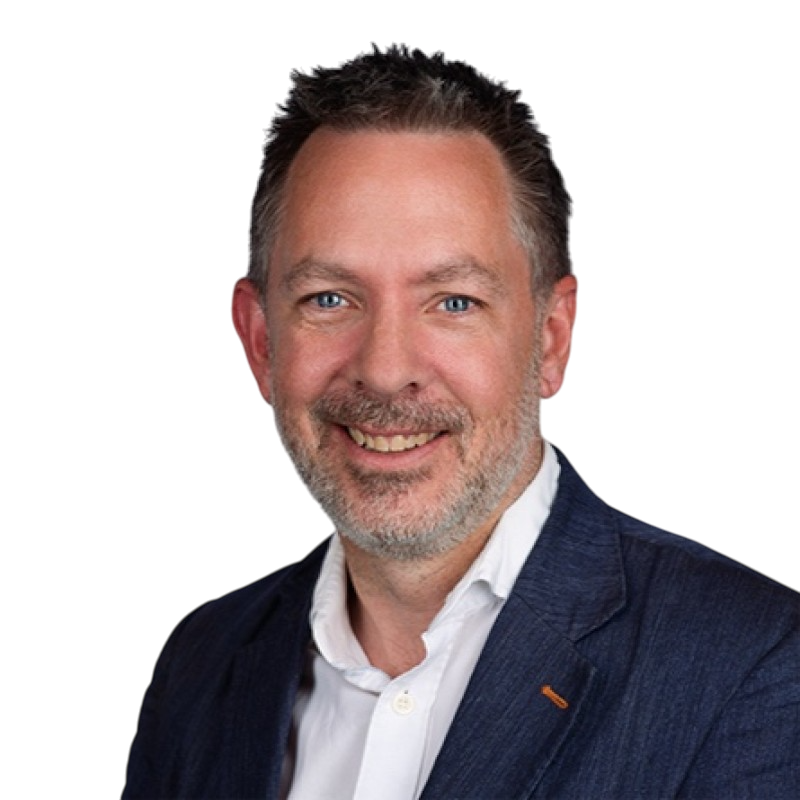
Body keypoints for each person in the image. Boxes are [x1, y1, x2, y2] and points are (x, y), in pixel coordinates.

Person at [125, 45, 799, 799]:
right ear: (259, 344)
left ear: (551, 339)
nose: (385, 369)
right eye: (329, 299)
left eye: (453, 302)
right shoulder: (202, 666)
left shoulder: (751, 665)